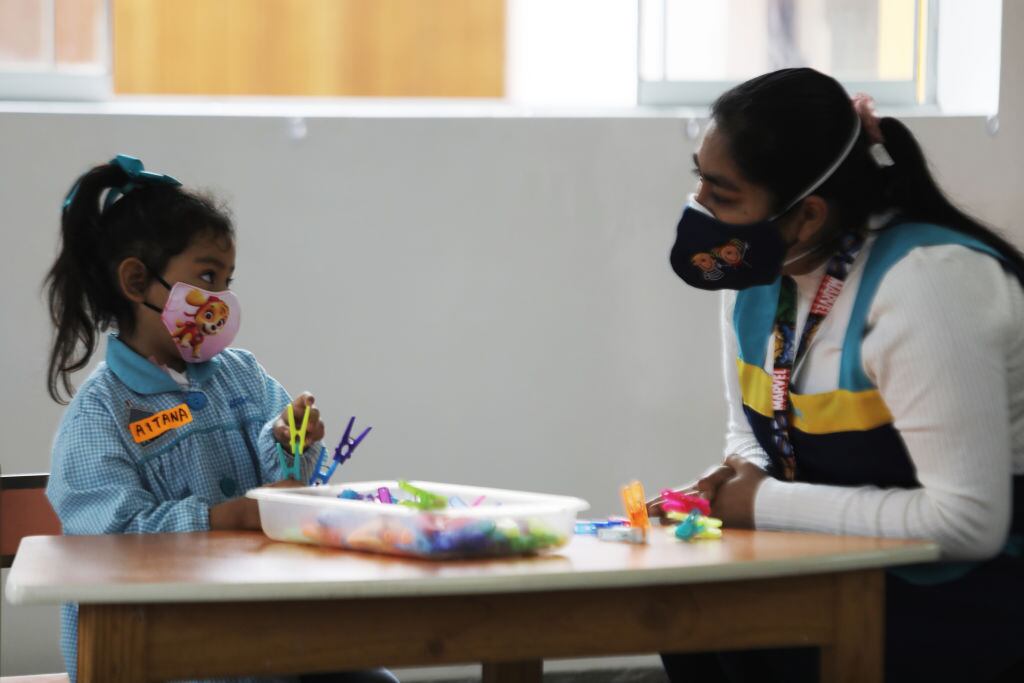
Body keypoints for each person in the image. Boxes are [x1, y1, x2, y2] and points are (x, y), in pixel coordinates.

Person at [653, 69, 1024, 682]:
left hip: (965, 593)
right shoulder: (757, 276)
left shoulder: (927, 286)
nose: (699, 206)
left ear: (806, 216)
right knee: (684, 611)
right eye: (698, 178)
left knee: (759, 639)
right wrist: (735, 479)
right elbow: (749, 433)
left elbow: (967, 525)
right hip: (846, 565)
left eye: (721, 193)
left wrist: (764, 502)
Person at [44, 155, 397, 683]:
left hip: (260, 624)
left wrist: (289, 441)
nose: (221, 301)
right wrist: (216, 519)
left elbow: (286, 482)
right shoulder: (99, 415)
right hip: (154, 649)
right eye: (206, 276)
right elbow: (111, 541)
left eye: (227, 280)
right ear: (138, 282)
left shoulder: (240, 372)